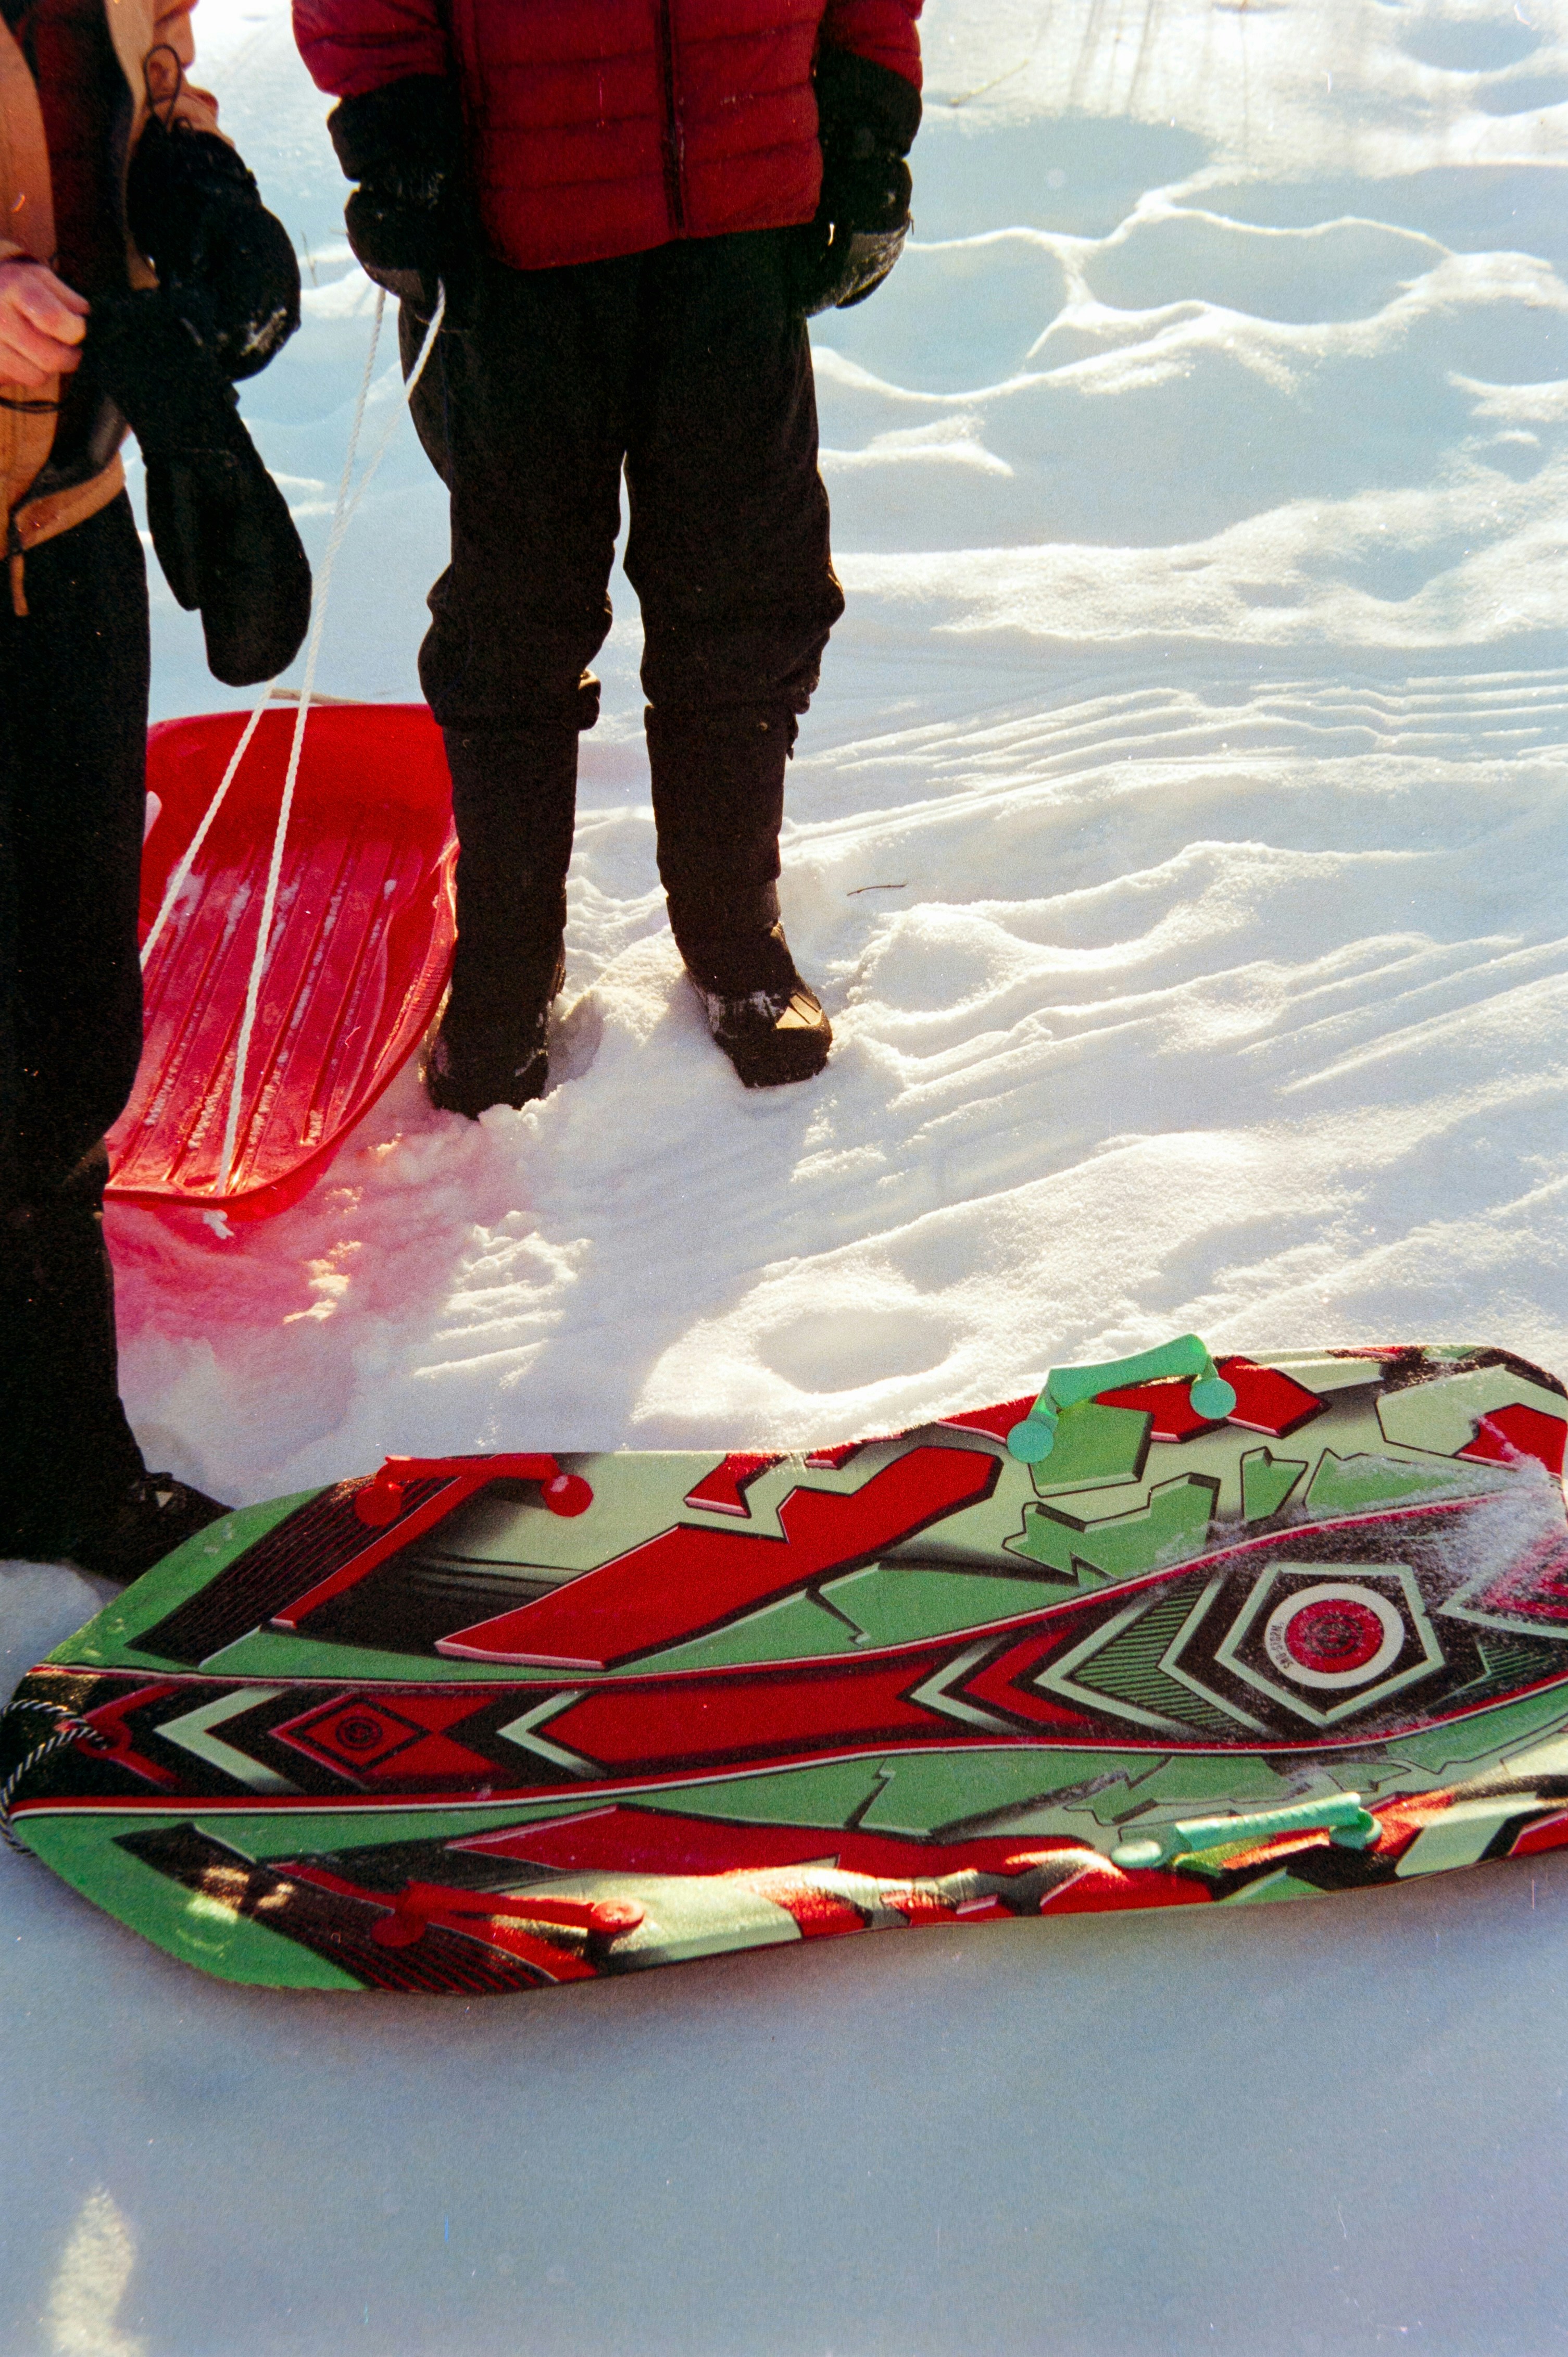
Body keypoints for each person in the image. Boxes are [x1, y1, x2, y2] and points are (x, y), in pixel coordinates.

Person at [294, 0, 923, 1112]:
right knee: (515, 614)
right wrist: (400, 139)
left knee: (745, 591)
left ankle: (735, 933)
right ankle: (508, 954)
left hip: (740, 213)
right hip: (520, 225)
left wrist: (866, 119)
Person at [0, 0, 303, 1574]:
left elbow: (144, 77)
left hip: (69, 531)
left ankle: (53, 1465)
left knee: (60, 1041)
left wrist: (203, 195)